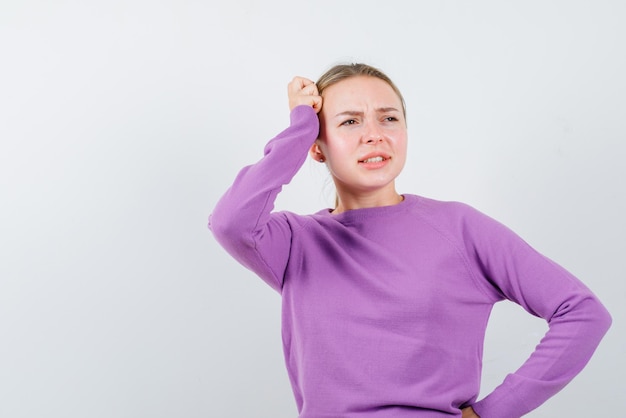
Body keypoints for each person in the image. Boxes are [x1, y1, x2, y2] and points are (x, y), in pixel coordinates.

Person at [208, 63, 611, 417]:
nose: (374, 135)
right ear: (316, 146)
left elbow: (581, 312)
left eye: (388, 119)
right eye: (349, 122)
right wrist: (299, 126)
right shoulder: (296, 243)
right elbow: (230, 221)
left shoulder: (459, 228)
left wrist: (492, 413)